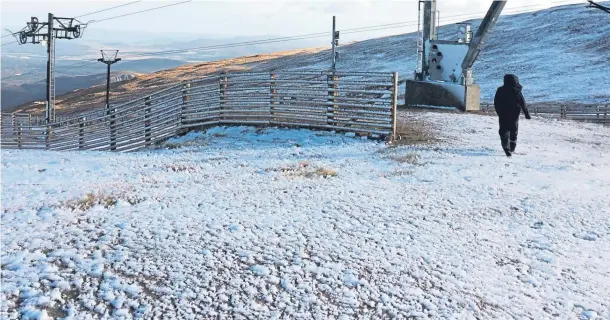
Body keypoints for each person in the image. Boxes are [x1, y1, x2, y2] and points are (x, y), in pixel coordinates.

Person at [493, 74, 531, 157]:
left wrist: (498, 112)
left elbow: (496, 102)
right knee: (514, 130)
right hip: (514, 114)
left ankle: (506, 147)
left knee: (504, 131)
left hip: (503, 114)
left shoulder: (500, 90)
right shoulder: (516, 90)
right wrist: (527, 114)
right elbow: (522, 103)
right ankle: (512, 147)